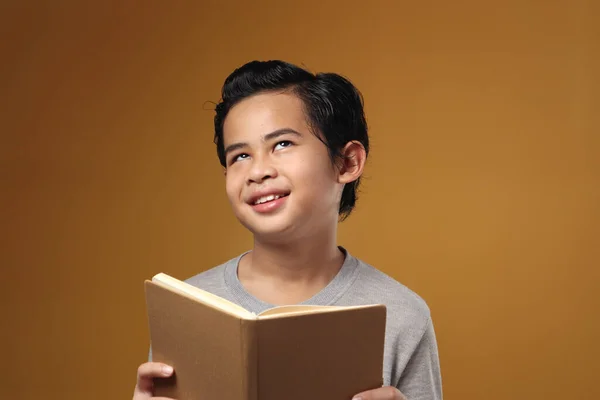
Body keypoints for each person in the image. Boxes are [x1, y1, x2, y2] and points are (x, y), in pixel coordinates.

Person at [133, 60, 443, 400]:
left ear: (347, 162)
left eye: (281, 144)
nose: (258, 171)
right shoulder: (185, 310)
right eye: (239, 156)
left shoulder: (401, 314)